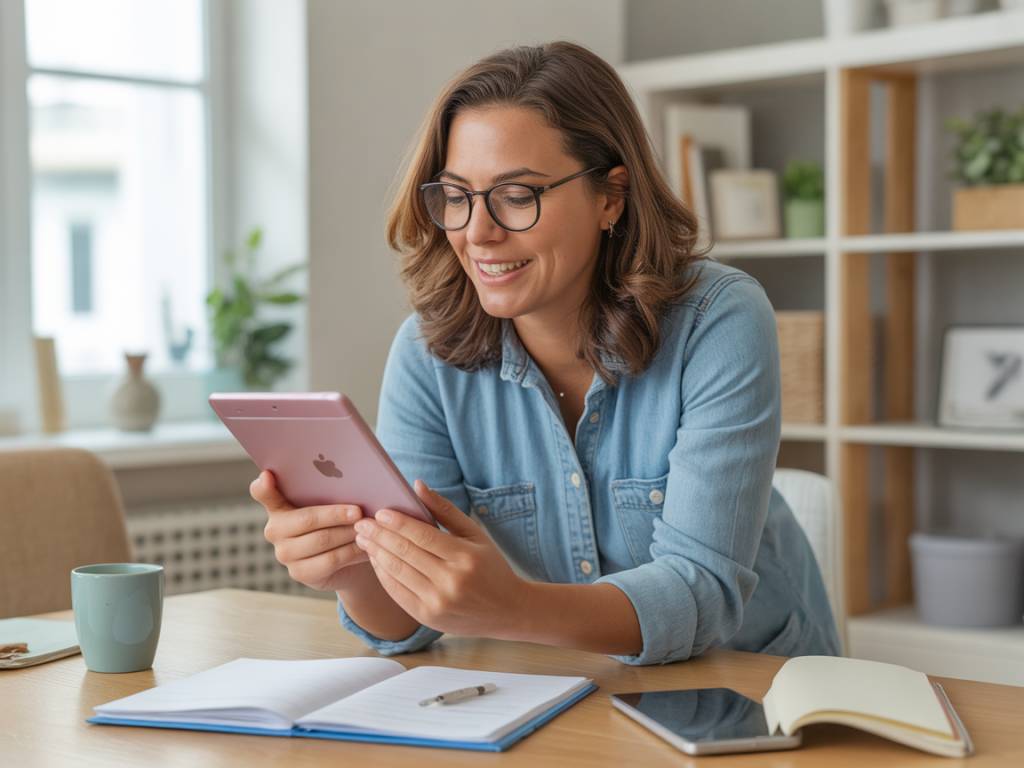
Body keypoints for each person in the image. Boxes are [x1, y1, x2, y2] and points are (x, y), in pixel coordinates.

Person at [252, 41, 840, 665]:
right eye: (457, 195)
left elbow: (702, 593)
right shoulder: (428, 354)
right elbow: (410, 623)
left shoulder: (717, 320)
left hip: (755, 682)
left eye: (517, 195)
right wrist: (354, 570)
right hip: (578, 684)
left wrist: (513, 607)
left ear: (610, 196)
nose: (478, 232)